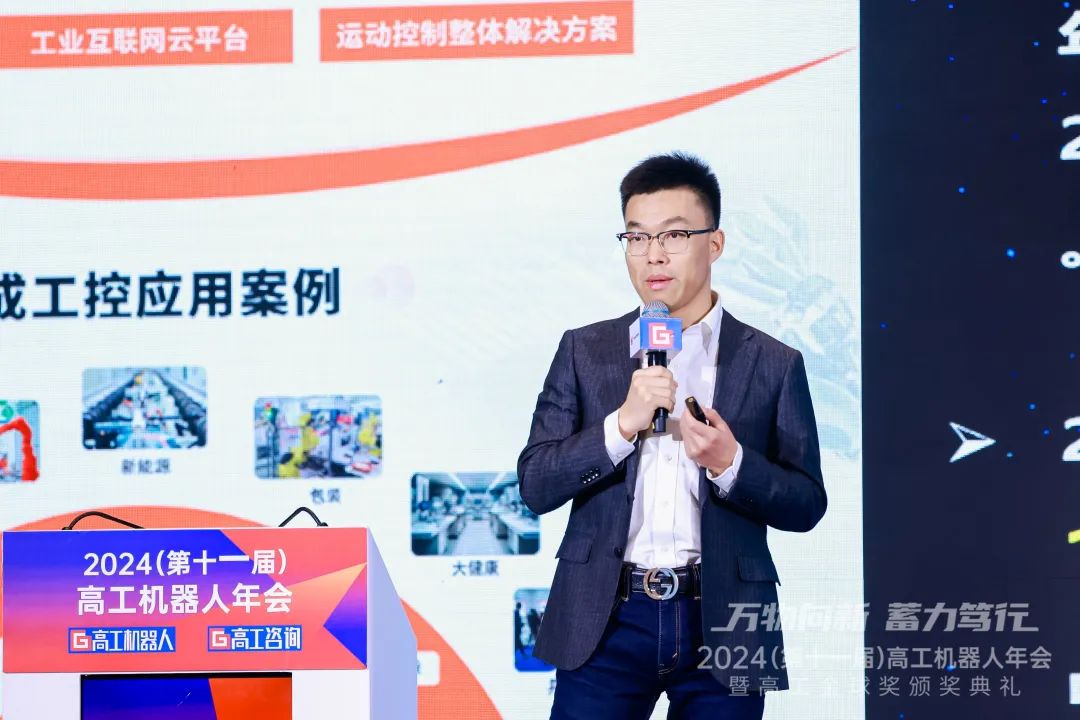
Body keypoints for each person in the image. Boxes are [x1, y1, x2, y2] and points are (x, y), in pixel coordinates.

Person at [518, 152, 827, 720]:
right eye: (636, 237)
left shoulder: (773, 362)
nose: (653, 255)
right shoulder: (584, 350)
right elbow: (536, 484)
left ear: (715, 244)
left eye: (675, 235)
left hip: (725, 621)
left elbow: (807, 503)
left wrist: (733, 464)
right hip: (605, 620)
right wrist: (621, 426)